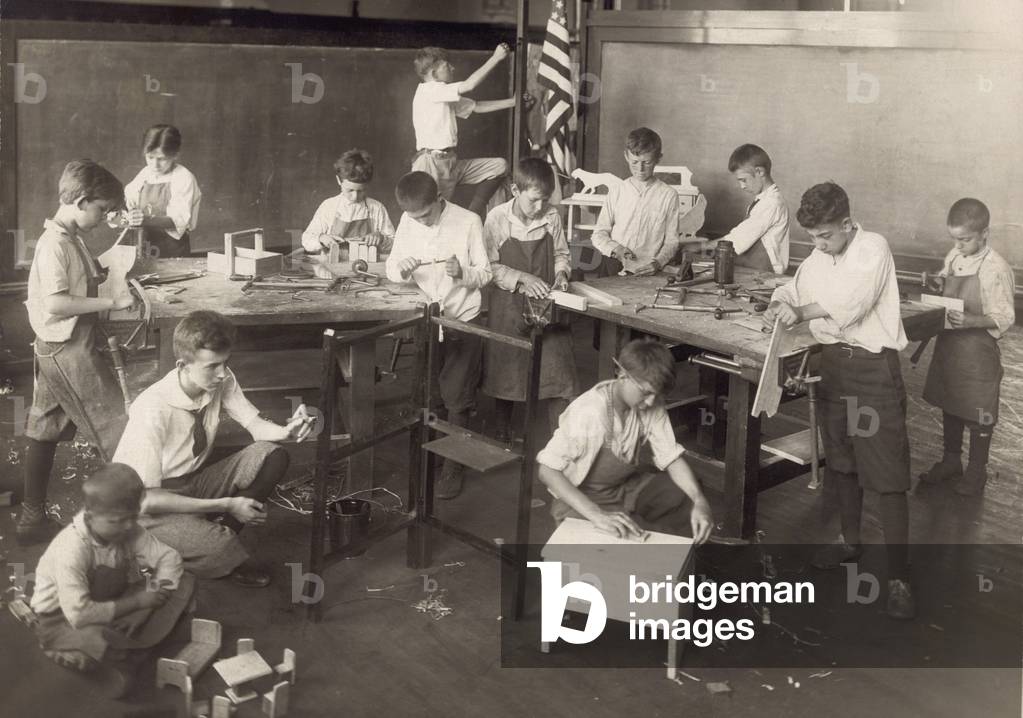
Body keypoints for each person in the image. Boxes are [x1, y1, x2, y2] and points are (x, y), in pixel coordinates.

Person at [763, 181, 915, 619]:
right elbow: (797, 288)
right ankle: (850, 543)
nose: (819, 244)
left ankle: (900, 576)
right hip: (835, 366)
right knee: (843, 462)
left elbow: (851, 303)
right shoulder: (820, 253)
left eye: (826, 235)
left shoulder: (873, 248)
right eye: (812, 237)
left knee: (887, 473)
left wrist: (803, 311)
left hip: (872, 370)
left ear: (847, 223)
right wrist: (780, 300)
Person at [112, 311, 312, 587]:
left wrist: (287, 430)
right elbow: (145, 500)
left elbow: (255, 425)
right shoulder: (152, 408)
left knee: (272, 454)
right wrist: (228, 504)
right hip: (148, 509)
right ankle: (210, 547)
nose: (221, 374)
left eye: (225, 363)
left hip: (192, 482)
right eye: (212, 366)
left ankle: (213, 537)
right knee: (220, 547)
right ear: (183, 365)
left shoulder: (220, 378)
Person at [18, 159, 137, 546]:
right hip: (67, 348)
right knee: (116, 429)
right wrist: (110, 302)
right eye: (102, 209)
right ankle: (129, 528)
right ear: (82, 200)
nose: (103, 218)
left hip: (54, 346)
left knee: (44, 428)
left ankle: (32, 518)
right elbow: (55, 303)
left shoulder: (69, 237)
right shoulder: (55, 244)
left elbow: (84, 276)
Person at [24, 464, 193, 699]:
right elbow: (80, 614)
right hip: (62, 618)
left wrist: (148, 602)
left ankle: (132, 643)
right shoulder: (71, 548)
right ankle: (109, 652)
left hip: (113, 600)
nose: (127, 526)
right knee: (101, 648)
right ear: (90, 516)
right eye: (117, 520)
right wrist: (138, 604)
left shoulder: (127, 527)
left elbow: (168, 557)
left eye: (133, 517)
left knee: (183, 581)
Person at [536, 339, 713, 542]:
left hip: (624, 488)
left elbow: (671, 457)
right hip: (581, 499)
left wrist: (700, 501)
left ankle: (672, 551)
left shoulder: (650, 403)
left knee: (685, 497)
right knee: (621, 543)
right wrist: (597, 515)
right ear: (622, 376)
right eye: (645, 392)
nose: (651, 402)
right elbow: (547, 471)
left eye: (657, 394)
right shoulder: (589, 411)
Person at [386, 172, 492, 499]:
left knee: (458, 396)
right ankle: (433, 453)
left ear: (439, 200)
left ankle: (454, 467)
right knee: (430, 392)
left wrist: (463, 273)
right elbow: (392, 269)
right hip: (429, 319)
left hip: (464, 318)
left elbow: (486, 273)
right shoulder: (408, 221)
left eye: (426, 215)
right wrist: (401, 269)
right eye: (415, 218)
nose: (422, 222)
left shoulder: (469, 221)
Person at [920, 198, 1015, 495]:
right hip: (950, 345)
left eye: (965, 239)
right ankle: (951, 461)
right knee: (951, 402)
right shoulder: (955, 255)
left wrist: (972, 320)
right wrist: (937, 283)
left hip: (977, 351)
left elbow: (1005, 316)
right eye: (955, 239)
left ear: (984, 233)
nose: (959, 245)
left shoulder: (995, 268)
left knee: (978, 412)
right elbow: (949, 282)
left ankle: (977, 471)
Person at [482, 157, 577, 442]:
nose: (539, 208)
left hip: (545, 303)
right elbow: (489, 266)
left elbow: (562, 254)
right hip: (509, 304)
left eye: (544, 200)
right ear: (515, 190)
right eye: (533, 200)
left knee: (559, 368)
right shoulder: (496, 218)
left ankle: (561, 438)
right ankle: (502, 427)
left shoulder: (552, 217)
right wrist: (522, 278)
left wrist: (561, 275)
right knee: (507, 365)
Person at [411, 44, 527, 218]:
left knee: (499, 166)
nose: (452, 67)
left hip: (450, 162)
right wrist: (496, 58)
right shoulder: (430, 90)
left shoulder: (442, 95)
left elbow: (476, 107)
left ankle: (472, 215)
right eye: (446, 66)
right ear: (434, 74)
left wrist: (512, 102)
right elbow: (470, 85)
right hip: (430, 164)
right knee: (430, 216)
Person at [590, 127, 681, 277]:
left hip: (650, 271)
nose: (640, 168)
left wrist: (657, 263)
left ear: (658, 158)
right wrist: (617, 249)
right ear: (626, 156)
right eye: (634, 162)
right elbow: (599, 234)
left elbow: (672, 242)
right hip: (614, 267)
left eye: (647, 162)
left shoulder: (669, 195)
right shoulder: (617, 191)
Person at [123, 124, 202, 259]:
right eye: (150, 157)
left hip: (172, 249)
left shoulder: (183, 177)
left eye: (162, 159)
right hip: (145, 245)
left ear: (175, 155)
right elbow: (129, 200)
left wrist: (145, 219)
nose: (155, 165)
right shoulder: (145, 174)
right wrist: (126, 213)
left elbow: (178, 220)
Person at [301, 148, 395, 257]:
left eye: (361, 191)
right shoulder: (329, 206)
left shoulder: (376, 208)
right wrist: (321, 238)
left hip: (367, 269)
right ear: (338, 181)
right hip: (332, 268)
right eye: (350, 190)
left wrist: (381, 238)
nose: (355, 197)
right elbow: (306, 240)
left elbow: (395, 244)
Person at [713, 143, 790, 275]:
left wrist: (701, 246)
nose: (742, 186)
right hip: (753, 271)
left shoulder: (771, 203)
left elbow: (737, 241)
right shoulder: (761, 201)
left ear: (759, 171)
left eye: (744, 180)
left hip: (766, 276)